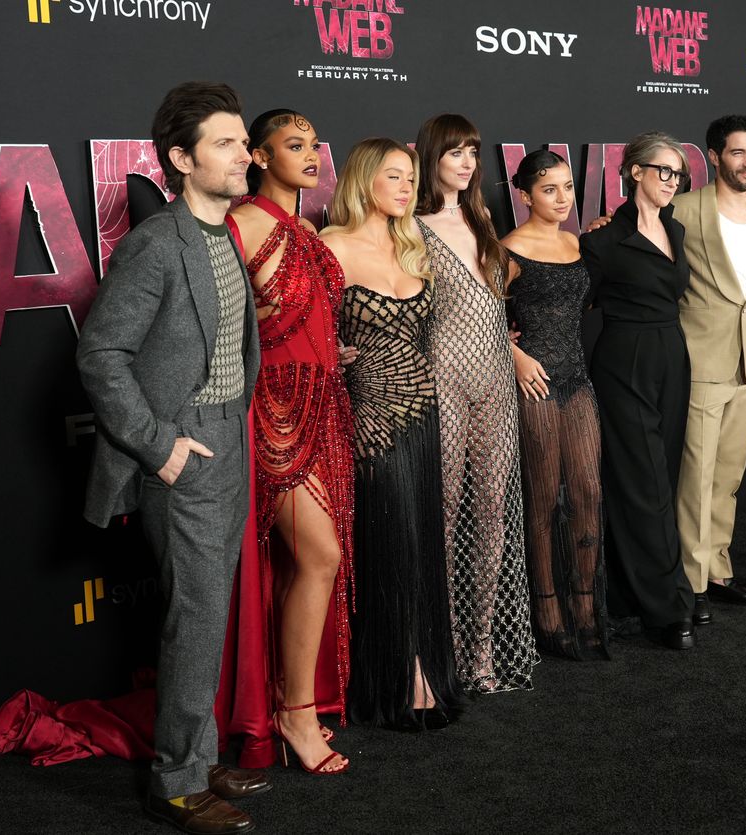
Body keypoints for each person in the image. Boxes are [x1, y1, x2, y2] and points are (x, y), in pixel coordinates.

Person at [76, 82, 267, 834]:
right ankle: (176, 783)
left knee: (208, 615)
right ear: (182, 160)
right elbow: (101, 356)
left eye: (241, 140)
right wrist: (160, 447)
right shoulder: (157, 244)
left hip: (232, 438)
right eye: (225, 143)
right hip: (185, 449)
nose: (243, 153)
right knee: (195, 616)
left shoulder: (224, 234)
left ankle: (197, 753)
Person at [217, 109, 352, 775]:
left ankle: (290, 702)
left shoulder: (306, 227)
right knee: (319, 555)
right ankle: (295, 714)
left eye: (313, 145)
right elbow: (215, 325)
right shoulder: (240, 223)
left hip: (323, 409)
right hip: (270, 414)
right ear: (259, 156)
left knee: (310, 564)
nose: (310, 155)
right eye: (292, 145)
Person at [322, 137, 462, 728]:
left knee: (423, 539)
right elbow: (299, 332)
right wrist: (336, 356)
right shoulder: (331, 246)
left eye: (411, 178)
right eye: (396, 177)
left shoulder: (415, 246)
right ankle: (395, 675)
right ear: (362, 182)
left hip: (425, 412)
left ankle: (427, 667)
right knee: (390, 541)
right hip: (372, 419)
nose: (408, 187)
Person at [414, 113, 537, 692]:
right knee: (442, 513)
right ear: (431, 156)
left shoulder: (480, 216)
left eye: (473, 152)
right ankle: (441, 645)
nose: (466, 163)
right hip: (442, 378)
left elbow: (496, 299)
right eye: (455, 152)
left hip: (493, 378)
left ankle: (481, 645)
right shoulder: (409, 224)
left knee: (491, 510)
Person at [580, 131, 697, 651]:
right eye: (664, 171)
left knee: (659, 478)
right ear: (634, 172)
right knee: (643, 483)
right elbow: (569, 301)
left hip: (671, 356)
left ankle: (630, 594)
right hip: (624, 361)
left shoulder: (677, 227)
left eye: (679, 174)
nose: (673, 181)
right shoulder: (602, 239)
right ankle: (668, 607)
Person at [670, 114, 746, 626]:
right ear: (714, 158)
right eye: (737, 153)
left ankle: (717, 569)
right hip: (702, 358)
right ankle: (689, 584)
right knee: (696, 476)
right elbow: (638, 235)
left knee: (729, 476)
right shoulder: (684, 208)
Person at [501, 149, 608, 660]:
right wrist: (515, 353)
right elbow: (477, 318)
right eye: (549, 189)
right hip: (536, 383)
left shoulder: (575, 242)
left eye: (567, 187)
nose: (562, 198)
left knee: (587, 491)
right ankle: (546, 608)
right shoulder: (507, 250)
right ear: (524, 195)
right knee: (542, 498)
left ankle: (585, 605)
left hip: (577, 380)